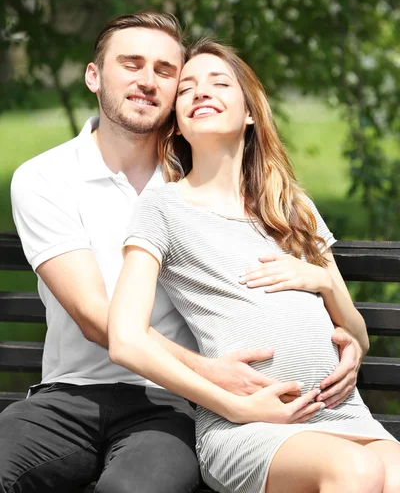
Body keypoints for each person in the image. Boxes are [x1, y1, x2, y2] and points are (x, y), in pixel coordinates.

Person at [3, 11, 361, 493]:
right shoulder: (45, 178)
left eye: (165, 71)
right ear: (94, 76)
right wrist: (212, 375)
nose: (147, 81)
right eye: (131, 64)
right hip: (69, 394)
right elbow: (94, 317)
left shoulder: (201, 183)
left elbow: (279, 280)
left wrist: (341, 338)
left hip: (168, 402)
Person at [109, 38, 400, 493]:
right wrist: (236, 407)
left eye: (219, 82)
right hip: (247, 426)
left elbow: (358, 334)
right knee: (356, 471)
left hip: (340, 413)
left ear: (249, 113)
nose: (200, 92)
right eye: (186, 89)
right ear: (179, 124)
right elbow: (125, 339)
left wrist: (325, 281)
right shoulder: (162, 207)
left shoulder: (291, 206)